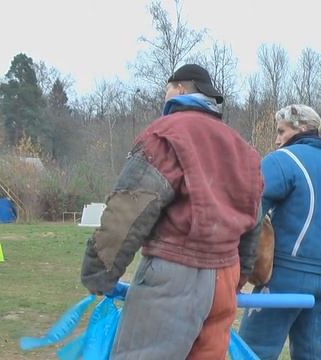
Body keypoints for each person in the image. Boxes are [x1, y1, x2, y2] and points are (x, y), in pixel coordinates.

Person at [80, 64, 264, 360]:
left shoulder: (166, 134)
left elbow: (130, 206)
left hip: (175, 277)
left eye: (167, 88)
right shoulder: (244, 150)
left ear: (180, 89)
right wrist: (238, 279)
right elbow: (253, 222)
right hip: (224, 279)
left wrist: (99, 270)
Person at [238, 104, 321, 360]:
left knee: (253, 352)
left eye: (281, 131)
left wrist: (242, 265)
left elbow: (249, 207)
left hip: (283, 278)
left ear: (301, 128)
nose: (277, 140)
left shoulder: (285, 159)